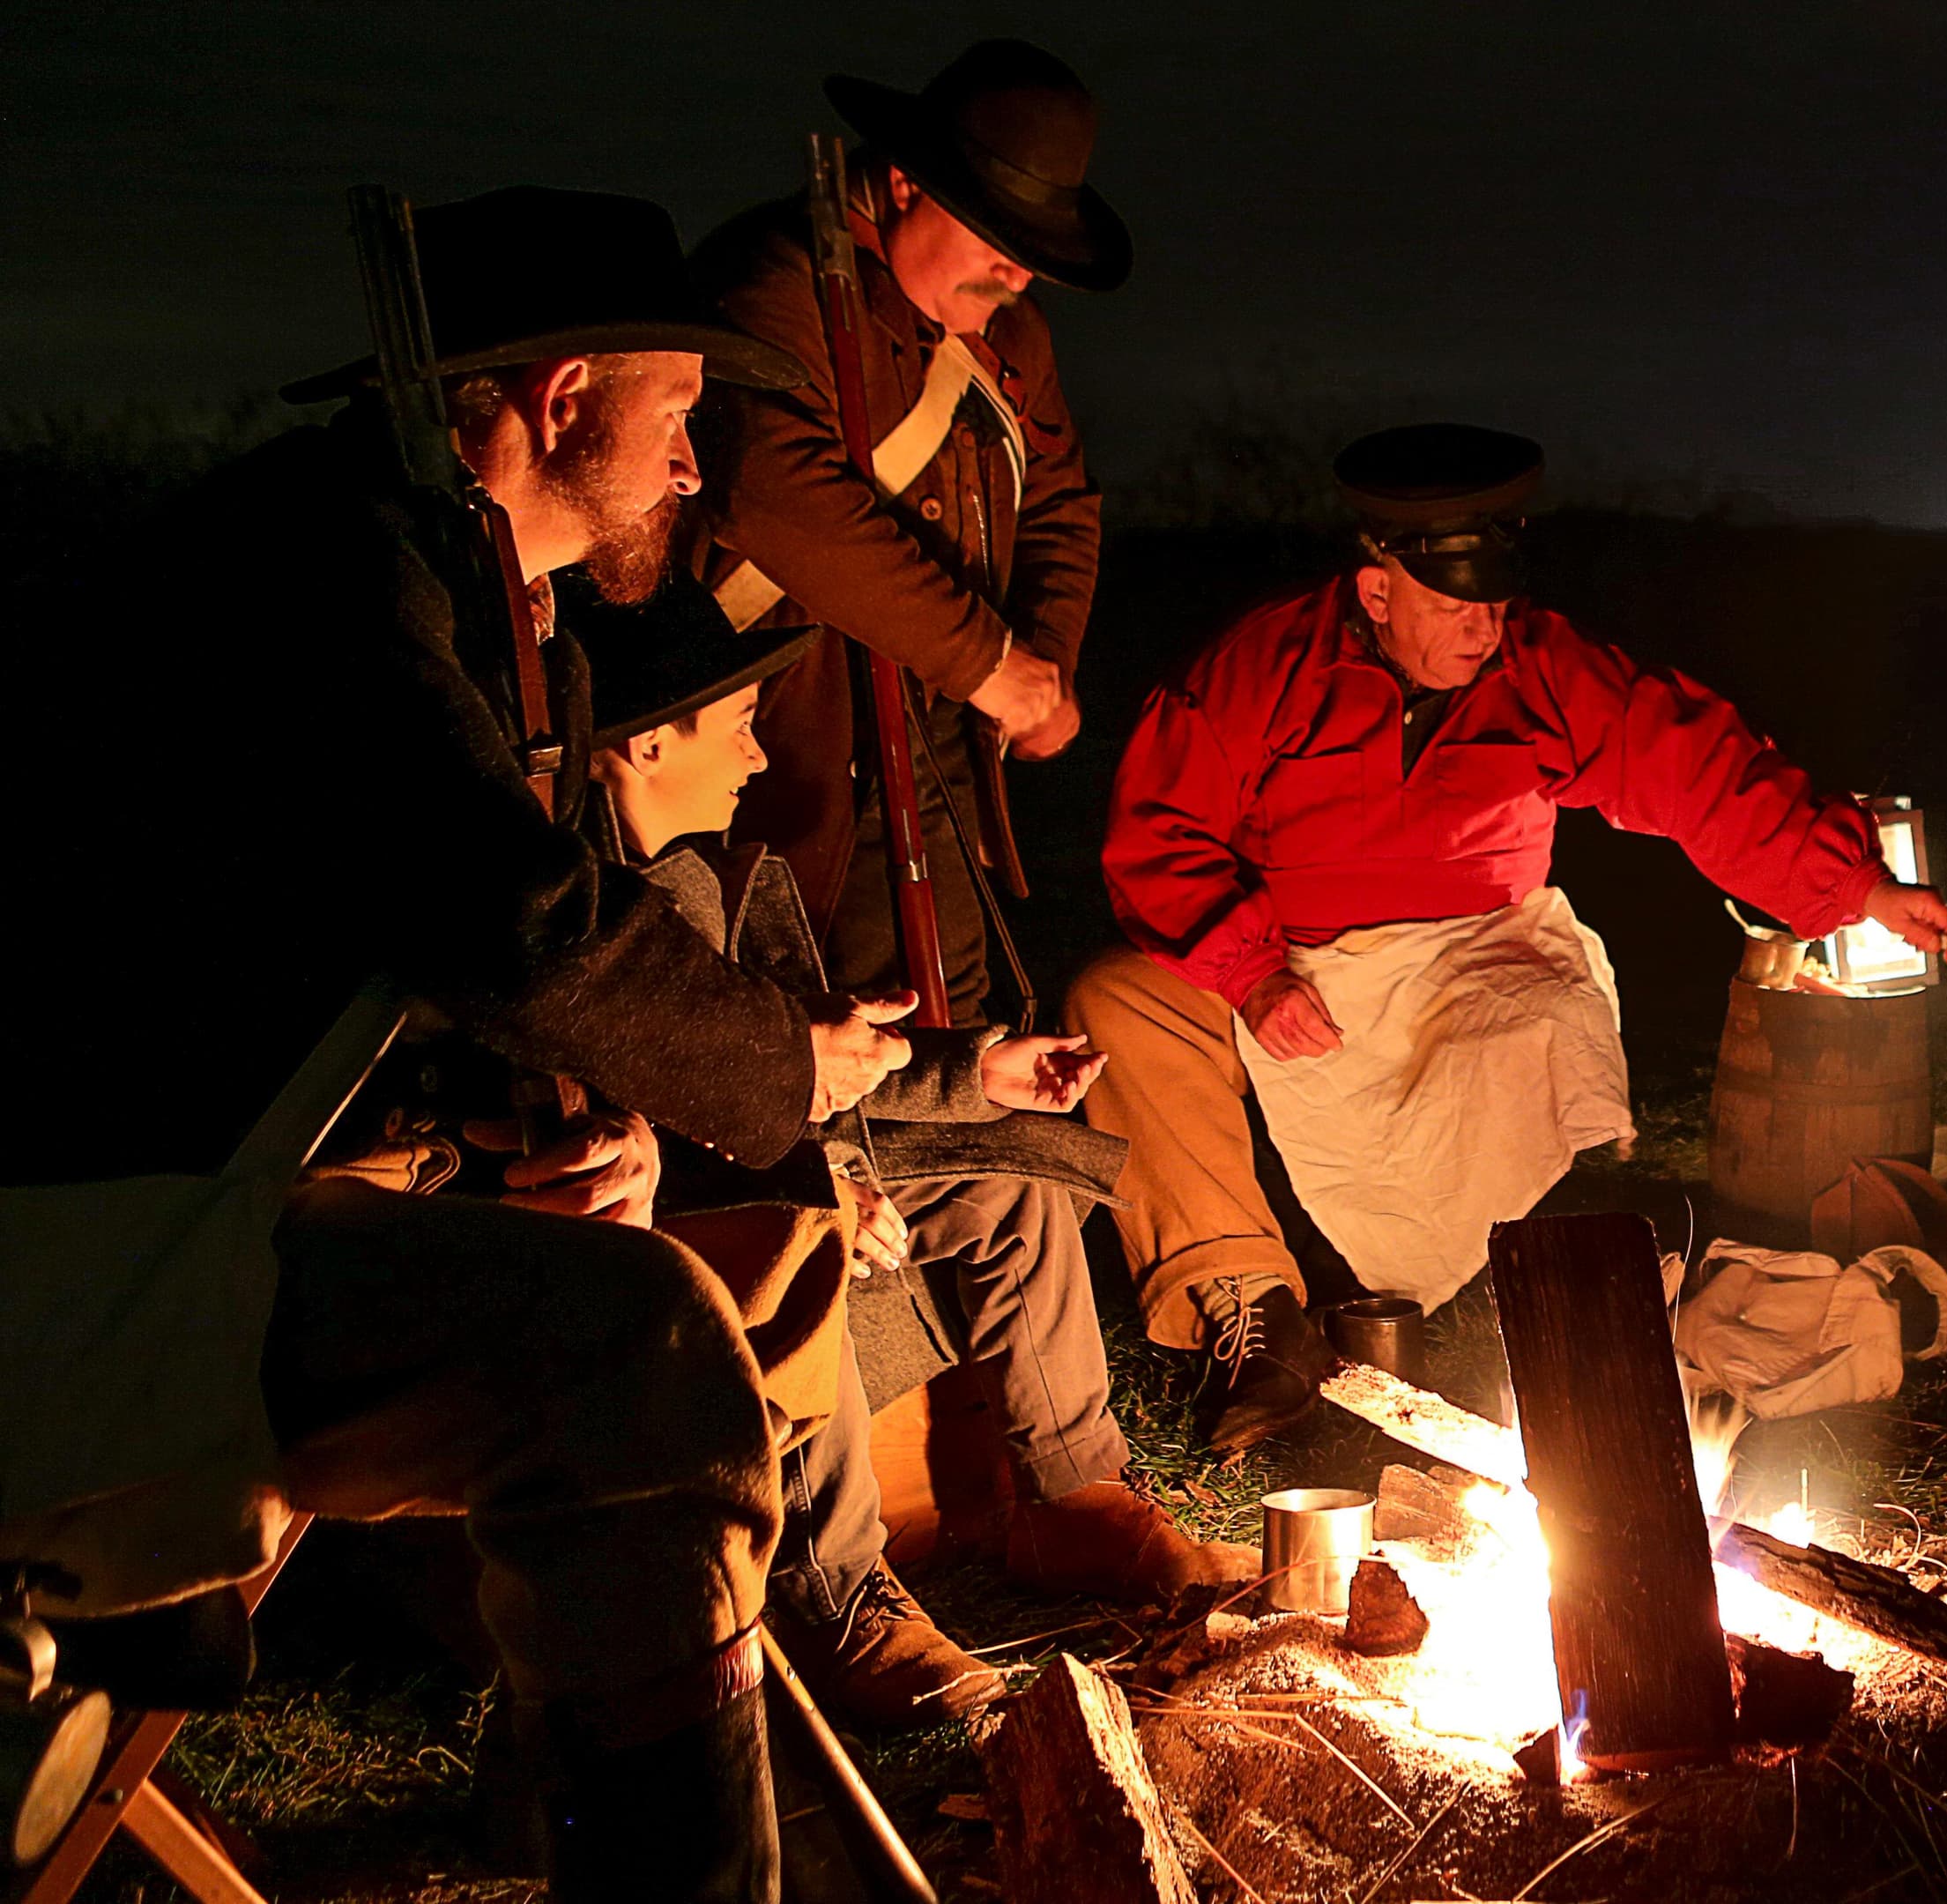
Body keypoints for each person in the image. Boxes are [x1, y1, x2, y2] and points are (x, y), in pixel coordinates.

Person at [0, 188, 911, 1900]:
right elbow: (500, 911)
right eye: (678, 417)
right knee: (630, 1357)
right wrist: (784, 1072)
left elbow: (347, 958)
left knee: (638, 1320)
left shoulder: (428, 570)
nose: (698, 467)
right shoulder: (317, 563)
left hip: (173, 1220)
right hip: (72, 1263)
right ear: (564, 401)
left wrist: (549, 1136)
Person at [1070, 424, 1947, 1448]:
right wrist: (1253, 973)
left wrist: (1856, 886)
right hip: (1286, 950)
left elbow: (1690, 764)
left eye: (1495, 605)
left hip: (1472, 947)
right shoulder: (1257, 670)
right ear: (1377, 590)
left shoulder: (1539, 665)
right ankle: (1255, 1313)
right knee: (1117, 1001)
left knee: (1551, 1013)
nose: (1482, 632)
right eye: (1455, 608)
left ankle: (1554, 1284)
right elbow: (1158, 836)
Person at [576, 591, 1254, 1730]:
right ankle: (839, 1593)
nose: (756, 751)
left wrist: (973, 1077)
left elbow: (803, 1061)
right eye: (737, 722)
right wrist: (825, 1179)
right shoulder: (593, 912)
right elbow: (660, 1117)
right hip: (676, 1233)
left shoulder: (704, 875)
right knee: (800, 1244)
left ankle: (1071, 1495)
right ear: (646, 745)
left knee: (1009, 1178)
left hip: (788, 1166)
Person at [691, 38, 1126, 1023]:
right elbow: (769, 489)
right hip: (772, 755)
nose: (1018, 274)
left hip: (940, 759)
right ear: (902, 185)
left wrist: (1038, 665)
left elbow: (1060, 501)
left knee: (957, 1038)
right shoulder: (775, 279)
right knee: (791, 1064)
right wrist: (984, 661)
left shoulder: (1011, 338)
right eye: (997, 238)